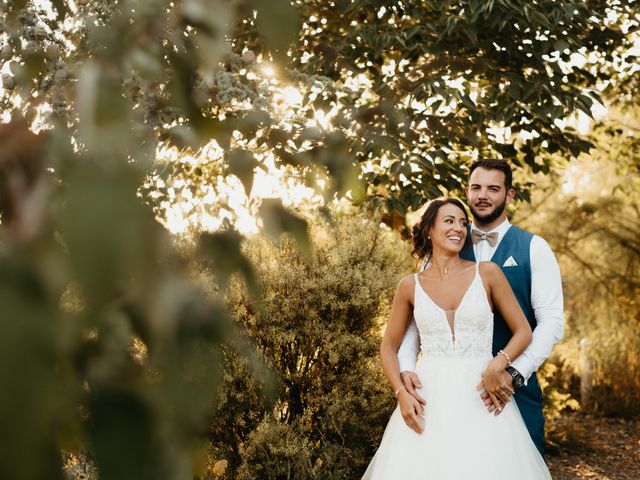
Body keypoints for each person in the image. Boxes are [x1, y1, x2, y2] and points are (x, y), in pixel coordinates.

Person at [362, 197, 552, 479]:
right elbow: (388, 347)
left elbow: (523, 331)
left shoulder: (487, 272)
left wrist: (497, 364)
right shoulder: (409, 286)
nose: (459, 229)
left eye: (463, 223)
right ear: (429, 229)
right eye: (449, 221)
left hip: (482, 394)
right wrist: (401, 393)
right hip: (429, 399)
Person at [397, 159, 564, 456]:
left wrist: (511, 373)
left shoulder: (534, 248)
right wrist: (407, 373)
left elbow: (551, 322)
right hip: (449, 394)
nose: (482, 195)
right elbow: (418, 324)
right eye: (476, 188)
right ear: (467, 191)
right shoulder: (445, 245)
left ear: (509, 195)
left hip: (516, 388)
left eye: (493, 188)